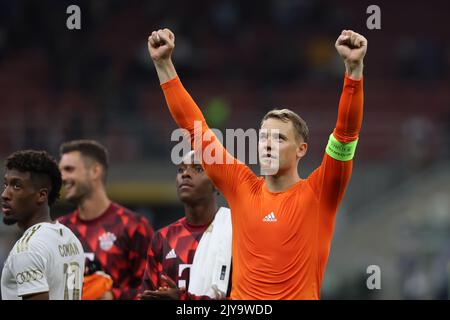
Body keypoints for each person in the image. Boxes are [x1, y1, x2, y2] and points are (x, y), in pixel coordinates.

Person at [147, 28, 367, 299]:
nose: (267, 143)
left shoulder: (320, 192)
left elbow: (346, 135)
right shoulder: (242, 186)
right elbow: (195, 129)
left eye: (279, 138)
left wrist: (353, 70)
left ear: (301, 149)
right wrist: (163, 64)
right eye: (263, 137)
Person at [57, 139, 154, 300]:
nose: (63, 177)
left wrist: (111, 296)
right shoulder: (59, 229)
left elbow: (153, 289)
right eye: (61, 171)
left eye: (69, 169)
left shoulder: (133, 226)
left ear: (95, 171)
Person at [139, 151, 232, 300]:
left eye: (198, 169)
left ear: (217, 183)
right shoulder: (162, 238)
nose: (185, 174)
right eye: (181, 170)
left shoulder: (234, 233)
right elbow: (145, 296)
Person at [1, 150, 84, 300]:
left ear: (41, 195)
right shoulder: (69, 237)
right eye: (6, 184)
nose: (5, 194)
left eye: (16, 186)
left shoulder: (28, 248)